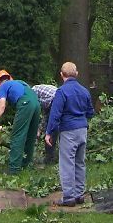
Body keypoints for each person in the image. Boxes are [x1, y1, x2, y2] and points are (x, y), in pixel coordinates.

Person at [45, 62, 94, 206]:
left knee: (67, 164)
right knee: (80, 162)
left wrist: (49, 132)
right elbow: (90, 112)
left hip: (68, 131)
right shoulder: (84, 91)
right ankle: (79, 195)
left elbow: (55, 114)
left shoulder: (61, 92)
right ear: (76, 74)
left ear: (61, 75)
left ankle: (68, 197)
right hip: (82, 130)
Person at [0, 69, 41, 174]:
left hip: (25, 103)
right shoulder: (20, 82)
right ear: (10, 78)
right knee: (30, 136)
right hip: (37, 104)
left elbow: (2, 105)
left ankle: (14, 170)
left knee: (17, 136)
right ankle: (26, 165)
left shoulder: (2, 86)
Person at [32, 83, 58, 164]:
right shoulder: (39, 95)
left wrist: (39, 131)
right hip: (56, 99)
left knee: (51, 130)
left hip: (56, 100)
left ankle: (49, 159)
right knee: (52, 129)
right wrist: (40, 129)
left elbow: (37, 114)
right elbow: (45, 115)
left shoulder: (32, 93)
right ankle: (51, 157)